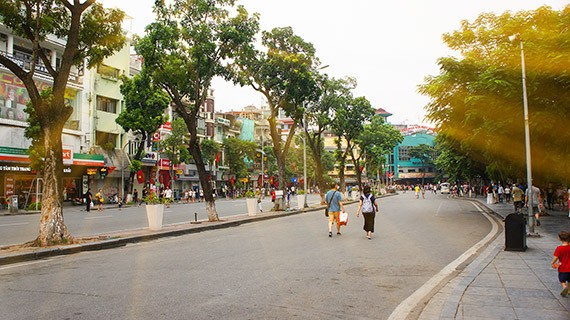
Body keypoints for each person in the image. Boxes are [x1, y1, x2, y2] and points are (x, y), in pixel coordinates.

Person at [551, 231, 570, 297]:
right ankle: (569, 290)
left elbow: (556, 257)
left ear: (560, 239)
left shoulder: (559, 248)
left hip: (563, 268)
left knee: (562, 279)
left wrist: (553, 262)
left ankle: (564, 287)